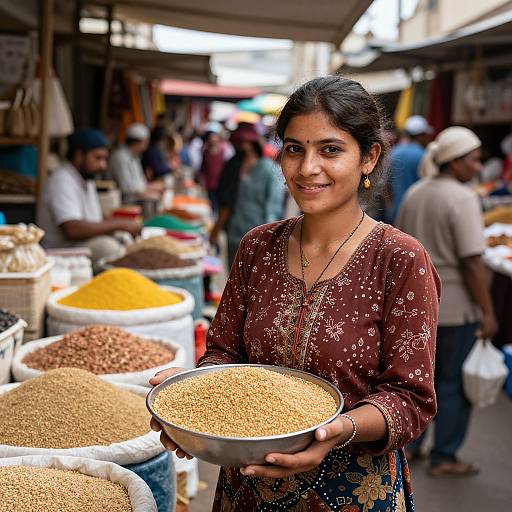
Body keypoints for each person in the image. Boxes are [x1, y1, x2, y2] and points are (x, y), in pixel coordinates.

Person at [150, 76, 440, 511]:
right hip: (246, 488)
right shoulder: (257, 248)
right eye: (294, 149)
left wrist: (336, 430)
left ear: (369, 157)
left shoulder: (399, 259)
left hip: (352, 493)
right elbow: (224, 354)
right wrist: (193, 403)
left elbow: (411, 397)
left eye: (330, 149)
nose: (307, 168)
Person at [396, 126, 498, 477]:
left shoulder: (416, 192)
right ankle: (445, 456)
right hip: (454, 308)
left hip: (416, 307)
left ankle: (410, 447)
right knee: (452, 384)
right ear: (455, 162)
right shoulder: (462, 197)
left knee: (418, 381)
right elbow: (472, 261)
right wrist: (487, 311)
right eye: (473, 159)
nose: (477, 166)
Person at [38, 128, 141, 263]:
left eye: (104, 159)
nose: (103, 165)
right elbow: (72, 229)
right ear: (79, 156)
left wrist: (119, 225)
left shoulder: (86, 179)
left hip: (82, 245)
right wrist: (119, 224)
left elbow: (96, 220)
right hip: (62, 252)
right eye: (98, 158)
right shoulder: (61, 180)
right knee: (109, 248)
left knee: (126, 241)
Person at [210, 123, 285, 268]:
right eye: (238, 142)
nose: (240, 146)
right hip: (234, 233)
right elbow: (226, 200)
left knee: (256, 280)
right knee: (234, 278)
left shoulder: (269, 170)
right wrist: (217, 228)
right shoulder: (233, 165)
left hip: (260, 236)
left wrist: (269, 239)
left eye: (244, 142)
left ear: (252, 143)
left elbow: (273, 207)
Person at [386, 115, 433, 223]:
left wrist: (390, 205)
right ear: (421, 136)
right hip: (416, 213)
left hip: (395, 211)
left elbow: (385, 185)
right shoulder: (423, 155)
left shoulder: (394, 152)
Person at [109, 123, 163, 201]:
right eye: (145, 142)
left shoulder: (134, 156)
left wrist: (150, 187)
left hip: (135, 199)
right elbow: (126, 187)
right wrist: (150, 188)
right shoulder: (120, 156)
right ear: (137, 142)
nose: (147, 145)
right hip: (124, 202)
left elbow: (139, 182)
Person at [199, 129, 229, 212]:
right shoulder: (205, 152)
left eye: (215, 137)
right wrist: (202, 182)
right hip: (210, 184)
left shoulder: (224, 151)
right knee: (212, 204)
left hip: (221, 184)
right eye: (211, 137)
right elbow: (203, 169)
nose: (213, 139)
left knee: (220, 204)